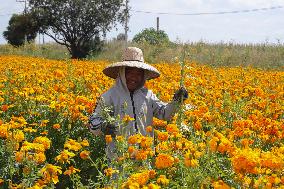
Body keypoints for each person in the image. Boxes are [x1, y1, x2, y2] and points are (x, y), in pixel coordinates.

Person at [88, 47, 188, 143]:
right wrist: (103, 126)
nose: (134, 78)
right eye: (130, 72)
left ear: (144, 76)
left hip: (145, 155)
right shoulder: (109, 96)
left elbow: (165, 114)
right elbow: (94, 122)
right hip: (119, 157)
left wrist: (177, 101)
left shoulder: (148, 95)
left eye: (139, 74)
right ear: (122, 73)